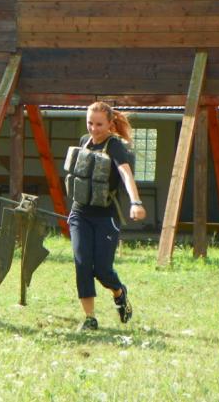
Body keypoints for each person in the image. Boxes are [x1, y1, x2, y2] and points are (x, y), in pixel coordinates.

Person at [66, 101, 146, 331]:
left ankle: (119, 293)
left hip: (105, 218)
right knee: (82, 264)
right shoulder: (84, 141)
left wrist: (136, 202)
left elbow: (125, 174)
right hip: (80, 214)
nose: (94, 128)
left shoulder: (115, 146)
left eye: (99, 124)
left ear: (110, 123)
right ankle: (90, 318)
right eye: (90, 123)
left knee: (102, 270)